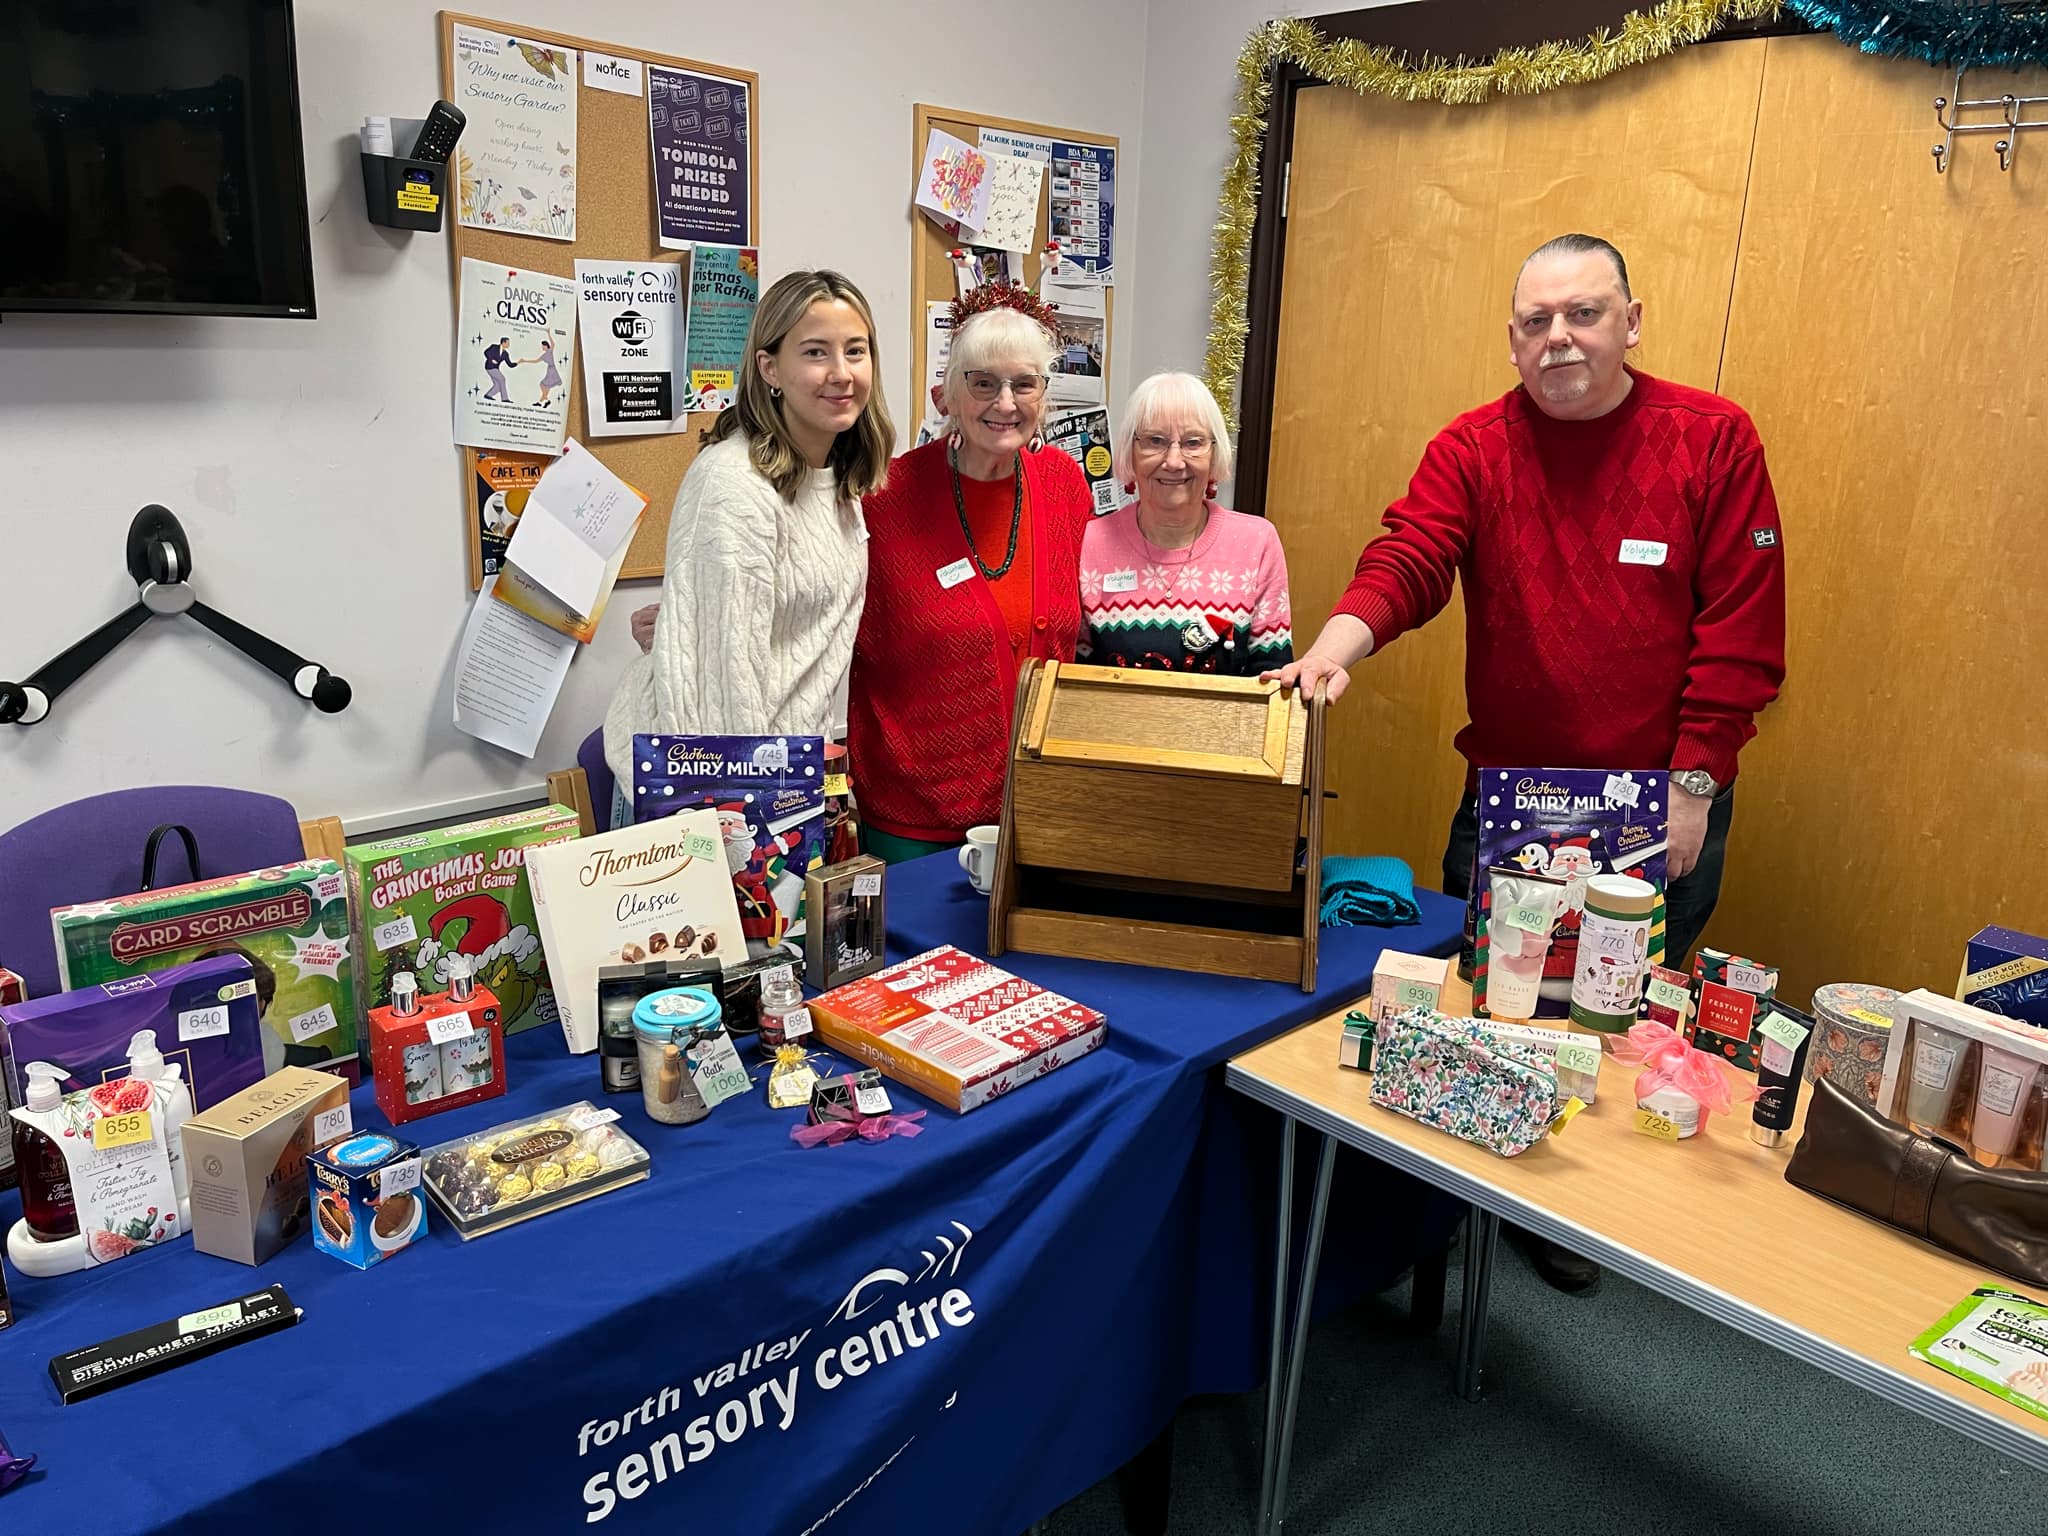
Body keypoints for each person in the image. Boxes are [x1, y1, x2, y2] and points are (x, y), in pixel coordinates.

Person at [1269, 233, 1786, 1292]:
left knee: (1619, 1011)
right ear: (1510, 341)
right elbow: (1407, 555)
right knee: (1495, 1003)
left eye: (1583, 314)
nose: (1559, 337)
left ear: (1629, 322)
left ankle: (1573, 1214)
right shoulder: (1473, 447)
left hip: (1656, 804)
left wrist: (1693, 787)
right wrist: (1334, 643)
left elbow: (1741, 627)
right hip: (1515, 800)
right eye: (1536, 321)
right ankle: (1465, 1191)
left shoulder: (1711, 440)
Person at [603, 270, 894, 819]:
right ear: (770, 368)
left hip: (777, 780)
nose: (841, 373)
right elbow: (719, 697)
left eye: (856, 351)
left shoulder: (836, 481)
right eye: (815, 352)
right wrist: (754, 819)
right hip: (708, 796)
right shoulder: (733, 483)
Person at [846, 281, 1094, 863]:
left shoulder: (1064, 487)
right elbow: (820, 599)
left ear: (1045, 396)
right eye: (982, 382)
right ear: (946, 395)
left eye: (1023, 384)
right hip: (913, 819)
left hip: (1035, 810)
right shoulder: (884, 496)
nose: (1004, 404)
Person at [1078, 371, 1290, 676]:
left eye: (1193, 442)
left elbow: (1272, 679)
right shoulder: (1091, 542)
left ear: (1214, 453)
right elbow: (1073, 681)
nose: (1174, 461)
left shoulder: (1257, 542)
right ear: (1130, 452)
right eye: (1155, 441)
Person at [529, 337, 563, 406]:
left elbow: (553, 344)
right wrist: (525, 361)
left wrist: (549, 334)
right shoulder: (544, 355)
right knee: (546, 388)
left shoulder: (550, 351)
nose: (542, 347)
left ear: (546, 345)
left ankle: (545, 401)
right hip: (550, 370)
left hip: (552, 371)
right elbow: (536, 361)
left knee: (542, 384)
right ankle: (544, 401)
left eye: (542, 346)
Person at [482, 337, 515, 402]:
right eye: (508, 343)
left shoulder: (505, 353)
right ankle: (504, 398)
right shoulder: (494, 347)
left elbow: (510, 364)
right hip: (489, 367)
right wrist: (491, 359)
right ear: (503, 343)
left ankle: (488, 395)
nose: (509, 344)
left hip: (496, 368)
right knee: (502, 379)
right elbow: (486, 352)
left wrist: (518, 362)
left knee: (498, 385)